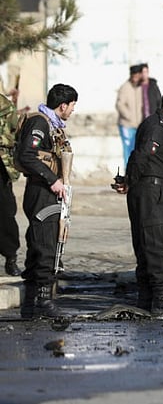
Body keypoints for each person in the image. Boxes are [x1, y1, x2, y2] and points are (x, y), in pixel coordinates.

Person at [114, 86, 163, 315]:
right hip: (151, 191)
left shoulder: (160, 124)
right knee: (157, 244)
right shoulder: (157, 126)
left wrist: (131, 180)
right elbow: (142, 155)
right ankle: (161, 296)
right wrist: (130, 181)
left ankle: (147, 296)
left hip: (150, 190)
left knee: (147, 243)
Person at [14, 84, 78, 319]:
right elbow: (27, 156)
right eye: (71, 106)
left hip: (49, 191)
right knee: (45, 245)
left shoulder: (53, 126)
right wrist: (52, 180)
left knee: (42, 241)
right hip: (41, 191)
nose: (72, 111)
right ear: (63, 105)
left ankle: (31, 302)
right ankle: (42, 299)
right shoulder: (40, 123)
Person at [0, 91, 21, 276]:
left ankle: (10, 257)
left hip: (2, 165)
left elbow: (15, 129)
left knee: (6, 212)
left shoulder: (5, 106)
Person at [115, 64, 144, 168]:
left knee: (136, 149)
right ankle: (127, 172)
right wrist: (129, 116)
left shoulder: (141, 88)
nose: (136, 78)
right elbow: (119, 104)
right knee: (128, 149)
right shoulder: (125, 87)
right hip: (126, 124)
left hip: (138, 125)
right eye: (134, 76)